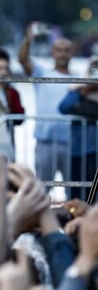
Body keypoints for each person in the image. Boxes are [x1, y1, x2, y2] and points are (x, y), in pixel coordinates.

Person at [18, 22, 76, 186]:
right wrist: (29, 38)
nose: (62, 54)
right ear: (52, 52)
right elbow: (23, 59)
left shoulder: (80, 78)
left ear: (72, 53)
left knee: (75, 190)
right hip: (46, 141)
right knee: (42, 191)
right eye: (59, 50)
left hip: (73, 142)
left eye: (66, 50)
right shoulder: (42, 72)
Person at [58, 57, 98, 200]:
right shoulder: (79, 90)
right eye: (93, 71)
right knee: (76, 195)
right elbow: (63, 107)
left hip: (94, 152)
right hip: (78, 151)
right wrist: (83, 87)